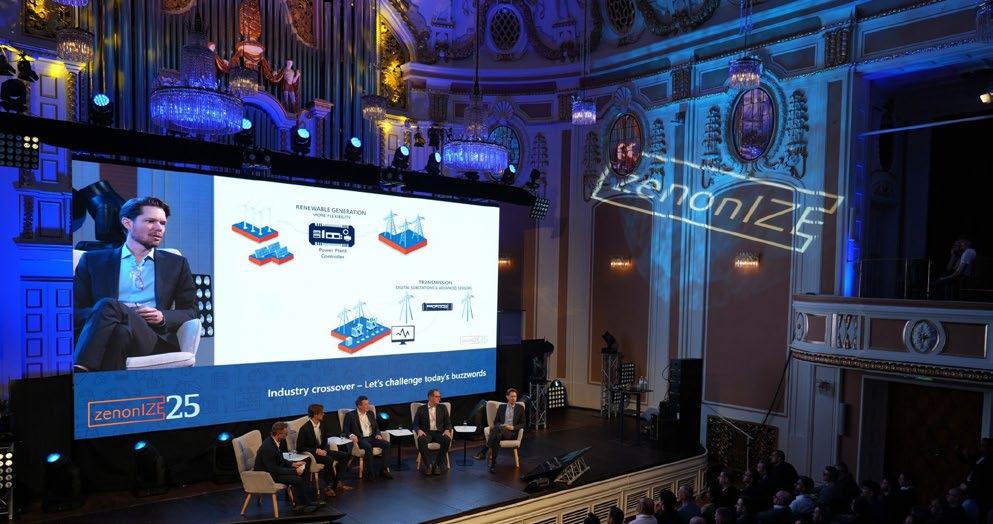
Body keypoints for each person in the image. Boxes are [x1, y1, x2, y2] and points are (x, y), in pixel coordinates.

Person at [73, 196, 196, 372]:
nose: (159, 228)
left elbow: (192, 311)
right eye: (150, 221)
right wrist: (113, 314)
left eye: (163, 223)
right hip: (109, 333)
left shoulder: (176, 263)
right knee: (118, 331)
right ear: (127, 223)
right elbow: (75, 311)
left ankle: (80, 369)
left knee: (108, 305)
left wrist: (162, 316)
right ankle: (110, 388)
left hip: (152, 337)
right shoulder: (93, 261)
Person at [254, 421, 320, 513]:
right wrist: (294, 471)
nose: (287, 435)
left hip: (274, 471)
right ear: (278, 434)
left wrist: (293, 464)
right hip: (268, 476)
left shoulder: (274, 442)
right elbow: (274, 470)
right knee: (297, 479)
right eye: (285, 434)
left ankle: (303, 503)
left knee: (303, 472)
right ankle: (304, 504)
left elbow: (280, 459)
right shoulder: (268, 447)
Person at [291, 404, 351, 497]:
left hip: (323, 451)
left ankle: (337, 482)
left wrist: (324, 451)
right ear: (315, 414)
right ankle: (327, 486)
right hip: (312, 454)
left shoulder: (323, 425)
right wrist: (316, 451)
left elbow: (325, 440)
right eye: (321, 413)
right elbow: (300, 447)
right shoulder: (305, 428)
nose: (323, 414)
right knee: (329, 460)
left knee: (345, 455)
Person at [474, 388, 525, 473]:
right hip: (500, 431)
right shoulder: (502, 407)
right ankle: (493, 465)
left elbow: (523, 424)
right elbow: (496, 422)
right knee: (497, 436)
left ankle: (484, 451)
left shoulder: (520, 408)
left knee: (497, 429)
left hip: (511, 433)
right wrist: (502, 426)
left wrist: (512, 427)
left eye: (515, 396)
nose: (513, 398)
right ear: (507, 397)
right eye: (512, 396)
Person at [342, 395, 393, 480]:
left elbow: (376, 427)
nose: (368, 406)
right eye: (365, 404)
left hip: (371, 437)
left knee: (387, 444)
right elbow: (345, 430)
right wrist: (351, 435)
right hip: (360, 439)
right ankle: (370, 473)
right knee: (368, 447)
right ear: (359, 406)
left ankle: (383, 470)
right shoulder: (350, 415)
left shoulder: (370, 413)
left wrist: (378, 434)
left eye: (368, 404)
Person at [412, 389, 453, 476]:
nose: (439, 399)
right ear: (430, 397)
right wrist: (418, 430)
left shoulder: (443, 408)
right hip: (426, 433)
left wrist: (447, 429)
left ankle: (437, 465)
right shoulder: (421, 409)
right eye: (437, 396)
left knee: (447, 440)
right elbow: (415, 424)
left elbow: (448, 423)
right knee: (421, 440)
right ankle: (429, 465)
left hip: (439, 433)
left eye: (439, 396)